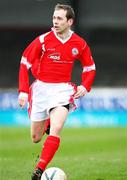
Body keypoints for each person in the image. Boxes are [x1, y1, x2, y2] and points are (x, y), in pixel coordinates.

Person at [18, 3, 96, 180]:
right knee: (36, 138)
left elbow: (90, 67)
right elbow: (25, 62)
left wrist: (85, 85)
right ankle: (44, 125)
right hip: (41, 90)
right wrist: (23, 91)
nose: (55, 21)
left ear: (69, 21)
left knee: (57, 127)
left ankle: (39, 170)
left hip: (62, 90)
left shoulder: (79, 43)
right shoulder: (43, 40)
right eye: (54, 17)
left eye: (59, 18)